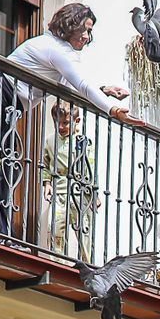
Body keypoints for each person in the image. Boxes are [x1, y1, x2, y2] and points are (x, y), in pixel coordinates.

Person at [0, 3, 140, 234]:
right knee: (1, 162)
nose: (87, 36)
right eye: (85, 28)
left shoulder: (53, 48)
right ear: (70, 24)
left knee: (3, 161)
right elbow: (81, 85)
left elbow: (69, 88)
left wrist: (104, 90)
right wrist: (112, 110)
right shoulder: (56, 49)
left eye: (90, 31)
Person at [40, 101, 97, 261]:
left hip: (79, 193)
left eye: (65, 123)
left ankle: (87, 264)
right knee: (56, 227)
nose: (61, 127)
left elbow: (90, 167)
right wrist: (47, 183)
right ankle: (57, 261)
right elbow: (44, 164)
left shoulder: (83, 141)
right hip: (59, 192)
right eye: (57, 122)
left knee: (83, 229)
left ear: (76, 121)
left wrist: (93, 193)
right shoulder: (50, 141)